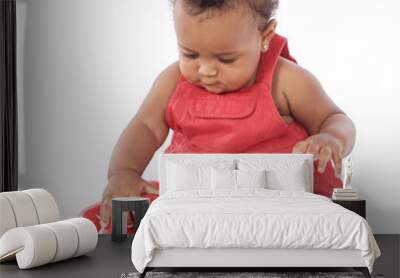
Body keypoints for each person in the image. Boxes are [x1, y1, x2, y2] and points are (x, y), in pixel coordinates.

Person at [98, 0, 356, 230]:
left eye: (226, 59)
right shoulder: (172, 81)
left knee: (321, 225)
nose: (207, 70)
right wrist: (124, 172)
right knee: (107, 220)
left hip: (278, 201)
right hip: (194, 202)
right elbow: (145, 127)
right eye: (190, 54)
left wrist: (331, 137)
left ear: (264, 37)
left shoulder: (286, 81)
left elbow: (334, 118)